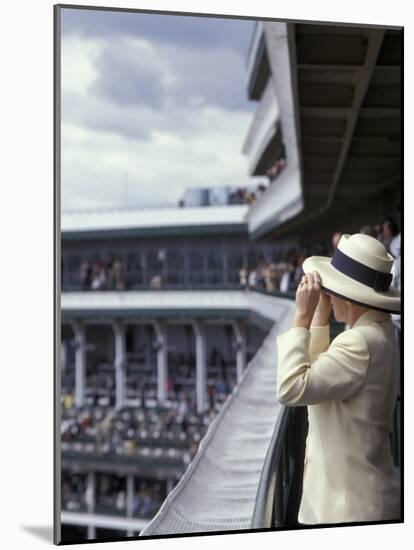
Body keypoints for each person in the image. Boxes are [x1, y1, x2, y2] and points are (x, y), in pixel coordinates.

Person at [276, 233, 400, 525]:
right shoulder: (381, 332)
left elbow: (291, 387)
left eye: (333, 290)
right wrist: (321, 316)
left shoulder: (358, 342)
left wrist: (302, 318)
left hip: (348, 509)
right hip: (363, 499)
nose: (328, 294)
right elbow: (323, 378)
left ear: (350, 295)